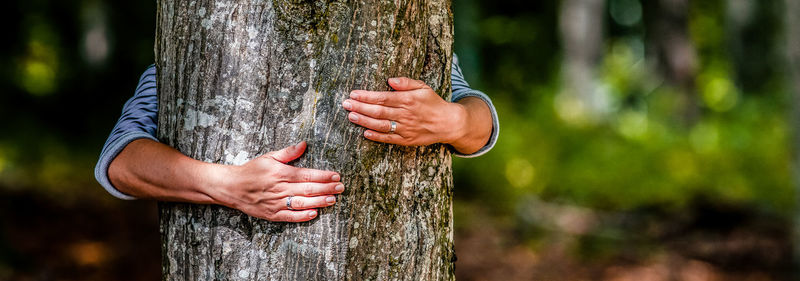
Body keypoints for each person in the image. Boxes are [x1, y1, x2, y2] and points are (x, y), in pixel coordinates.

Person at [95, 55, 499, 223]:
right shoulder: (208, 22)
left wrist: (453, 120)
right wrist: (226, 185)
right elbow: (120, 159)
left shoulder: (397, 17)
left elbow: (476, 115)